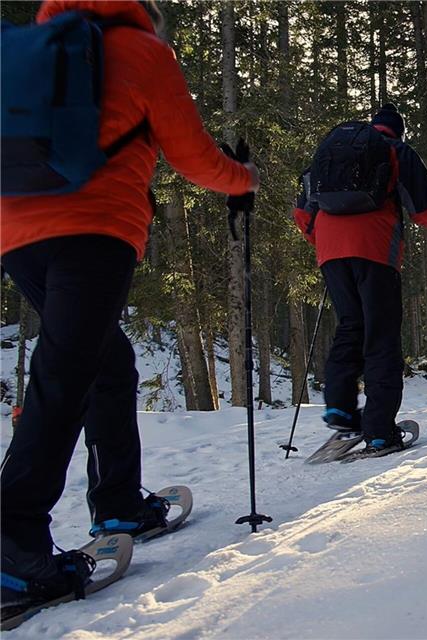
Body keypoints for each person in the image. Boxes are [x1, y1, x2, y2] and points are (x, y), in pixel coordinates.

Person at [0, 0, 258, 616]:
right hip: (94, 232)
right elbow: (193, 156)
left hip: (16, 235)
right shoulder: (141, 51)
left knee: (104, 364)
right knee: (63, 381)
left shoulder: (33, 51)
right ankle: (14, 551)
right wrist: (244, 178)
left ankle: (116, 501)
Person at [293, 103, 427, 457]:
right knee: (380, 336)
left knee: (350, 325)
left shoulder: (331, 152)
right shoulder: (397, 151)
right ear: (398, 130)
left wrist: (327, 243)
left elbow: (302, 213)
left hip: (331, 252)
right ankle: (379, 432)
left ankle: (341, 408)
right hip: (376, 251)